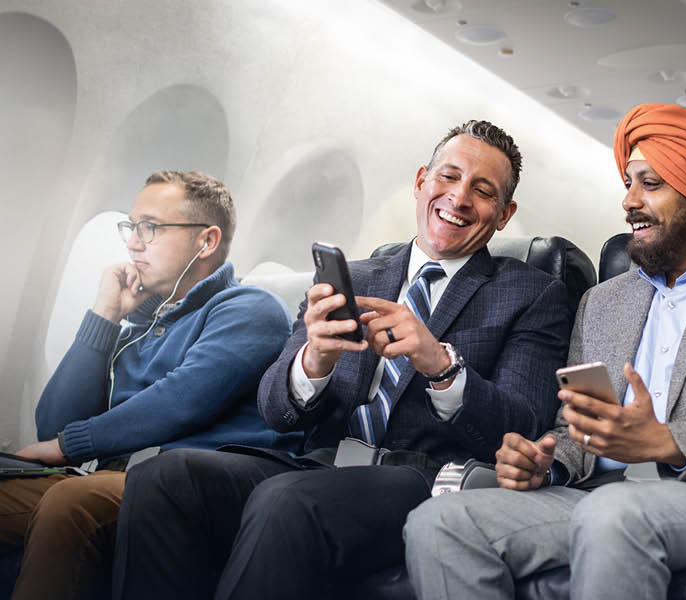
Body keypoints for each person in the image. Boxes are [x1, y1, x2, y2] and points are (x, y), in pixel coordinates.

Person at [111, 120, 572, 600]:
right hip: (319, 462)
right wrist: (315, 360)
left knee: (286, 503)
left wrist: (441, 365)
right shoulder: (351, 276)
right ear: (421, 182)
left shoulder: (532, 293)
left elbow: (521, 425)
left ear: (503, 214)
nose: (457, 199)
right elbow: (276, 409)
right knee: (162, 477)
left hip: (420, 479)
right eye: (448, 177)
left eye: (482, 191)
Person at [402, 103, 686, 600]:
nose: (629, 201)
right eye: (628, 184)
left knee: (613, 516)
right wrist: (547, 461)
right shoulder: (602, 302)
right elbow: (575, 429)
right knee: (440, 522)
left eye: (650, 184)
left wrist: (666, 441)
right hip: (590, 498)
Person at [0, 171, 298, 600]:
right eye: (131, 227)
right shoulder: (141, 330)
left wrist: (69, 445)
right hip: (113, 482)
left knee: (72, 501)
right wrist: (105, 317)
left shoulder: (249, 308)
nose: (133, 242)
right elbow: (55, 424)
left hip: (186, 490)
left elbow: (183, 399)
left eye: (150, 228)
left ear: (206, 241)